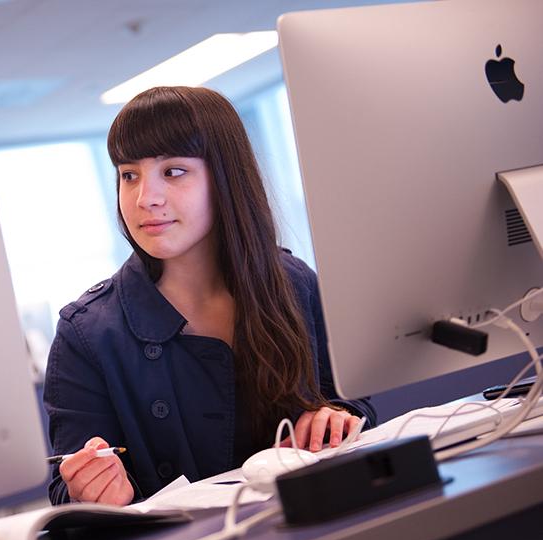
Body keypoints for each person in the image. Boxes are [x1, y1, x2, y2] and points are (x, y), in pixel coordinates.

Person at [43, 86, 375, 506]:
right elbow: (64, 489)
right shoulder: (86, 334)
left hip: (321, 525)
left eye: (173, 171)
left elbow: (352, 398)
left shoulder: (293, 282)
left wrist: (338, 416)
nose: (146, 198)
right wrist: (91, 489)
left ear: (225, 177)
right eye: (129, 175)